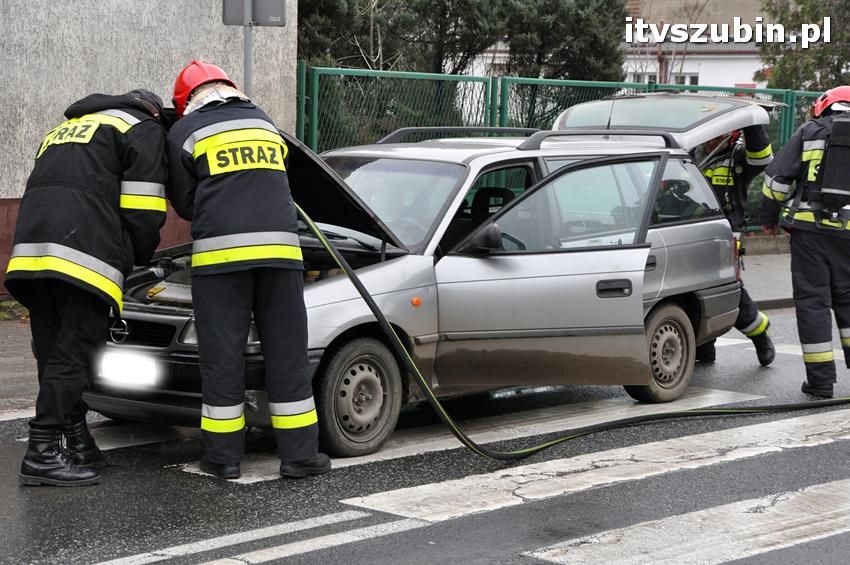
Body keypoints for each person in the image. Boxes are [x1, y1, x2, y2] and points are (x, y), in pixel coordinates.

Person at [165, 61, 331, 480]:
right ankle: (300, 457)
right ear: (230, 89)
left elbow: (185, 203)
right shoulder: (264, 122)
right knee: (287, 354)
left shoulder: (184, 133)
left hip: (221, 263)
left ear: (186, 101)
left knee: (222, 358)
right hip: (281, 257)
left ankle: (223, 459)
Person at [5, 90, 168, 486]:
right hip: (85, 251)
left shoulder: (67, 128)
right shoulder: (142, 127)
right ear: (155, 111)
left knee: (54, 348)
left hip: (31, 251)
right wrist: (136, 257)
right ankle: (42, 451)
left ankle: (78, 441)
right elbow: (144, 208)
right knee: (76, 351)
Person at [758, 86, 850, 398]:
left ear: (825, 107)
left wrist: (768, 219)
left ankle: (821, 381)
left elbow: (777, 181)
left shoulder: (809, 131)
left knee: (813, 303)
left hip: (810, 232)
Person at [692, 125, 776, 366]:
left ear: (732, 134)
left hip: (725, 234)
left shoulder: (738, 157)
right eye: (711, 134)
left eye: (719, 134)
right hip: (690, 231)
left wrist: (752, 125)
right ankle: (705, 346)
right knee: (693, 290)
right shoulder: (691, 154)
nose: (713, 140)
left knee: (728, 290)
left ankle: (759, 333)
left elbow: (762, 157)